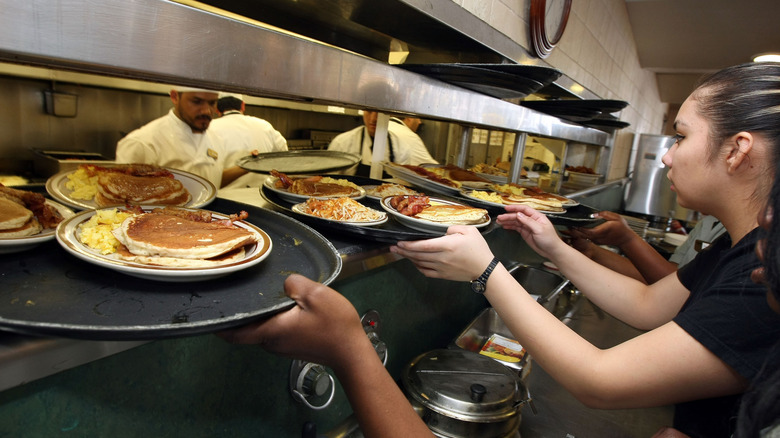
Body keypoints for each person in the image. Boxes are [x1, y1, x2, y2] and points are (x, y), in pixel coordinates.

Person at [388, 62, 780, 438]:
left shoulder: (762, 275)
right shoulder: (741, 245)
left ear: (737, 150)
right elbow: (648, 304)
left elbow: (600, 380)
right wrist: (555, 247)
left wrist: (486, 272)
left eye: (682, 137)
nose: (667, 156)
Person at [115, 87, 247, 189]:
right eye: (196, 102)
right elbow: (121, 197)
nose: (206, 111)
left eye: (212, 103)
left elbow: (212, 182)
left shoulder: (216, 138)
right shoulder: (142, 143)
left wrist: (246, 166)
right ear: (175, 96)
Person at [566, 211, 725, 283]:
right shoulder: (708, 223)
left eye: (681, 142)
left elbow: (674, 293)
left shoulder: (741, 238)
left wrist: (627, 239)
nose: (667, 158)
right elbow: (667, 280)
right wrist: (591, 251)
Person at [209, 92, 288, 188]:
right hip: (263, 195)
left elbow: (207, 176)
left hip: (224, 198)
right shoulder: (264, 125)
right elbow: (284, 157)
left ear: (216, 109)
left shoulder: (210, 127)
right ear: (242, 106)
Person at [327, 110, 438, 177]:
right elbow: (328, 183)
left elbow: (401, 187)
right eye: (369, 111)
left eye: (380, 113)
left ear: (389, 115)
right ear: (363, 111)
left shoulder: (401, 147)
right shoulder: (342, 143)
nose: (374, 119)